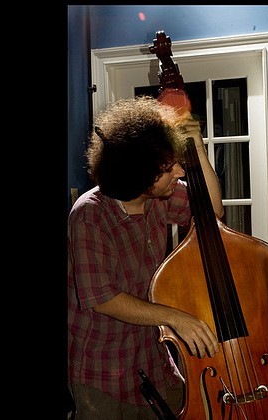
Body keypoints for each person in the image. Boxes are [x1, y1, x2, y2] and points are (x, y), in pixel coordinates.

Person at [67, 96, 224, 420]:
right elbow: (103, 299)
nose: (180, 171)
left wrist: (199, 150)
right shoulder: (90, 215)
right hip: (102, 372)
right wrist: (177, 317)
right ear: (139, 176)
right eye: (168, 168)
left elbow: (212, 212)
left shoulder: (160, 198)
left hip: (152, 359)